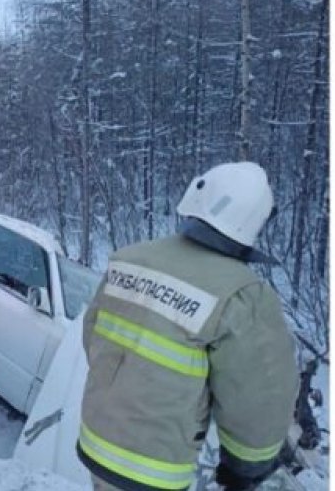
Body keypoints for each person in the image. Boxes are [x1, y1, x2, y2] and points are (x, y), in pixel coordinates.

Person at [77, 162, 299, 491]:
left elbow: (93, 337)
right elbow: (259, 399)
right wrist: (246, 467)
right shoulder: (243, 295)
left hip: (96, 443)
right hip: (155, 470)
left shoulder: (129, 259)